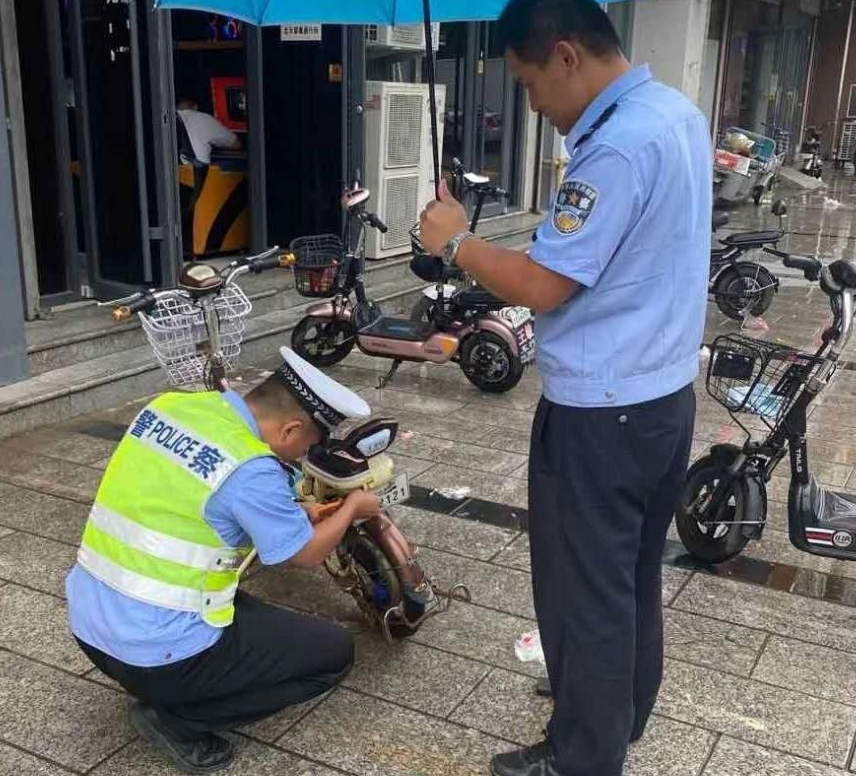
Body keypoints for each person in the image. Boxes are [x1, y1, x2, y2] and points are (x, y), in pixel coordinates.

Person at [419, 2, 711, 775]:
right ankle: (621, 717)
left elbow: (545, 284)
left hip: (602, 413)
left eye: (527, 83)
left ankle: (583, 758)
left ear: (566, 56)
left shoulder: (614, 147)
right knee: (630, 574)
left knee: (586, 593)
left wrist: (457, 242)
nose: (533, 106)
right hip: (662, 398)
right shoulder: (675, 113)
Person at [65, 347, 382, 774]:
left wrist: (290, 512)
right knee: (334, 652)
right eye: (310, 445)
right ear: (291, 429)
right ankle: (178, 720)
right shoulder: (252, 469)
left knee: (254, 616)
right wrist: (351, 509)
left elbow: (189, 497)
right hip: (156, 652)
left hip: (90, 625)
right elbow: (304, 554)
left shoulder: (171, 406)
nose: (303, 457)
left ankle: (173, 688)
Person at [176, 97, 241, 166]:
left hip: (177, 165)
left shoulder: (169, 117)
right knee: (240, 163)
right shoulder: (204, 118)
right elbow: (235, 144)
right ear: (195, 107)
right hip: (196, 168)